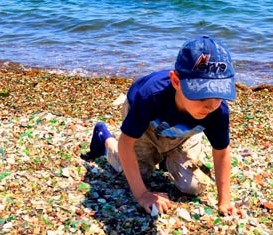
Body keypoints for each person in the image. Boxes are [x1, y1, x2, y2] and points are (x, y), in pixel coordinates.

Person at [84, 35, 242, 217]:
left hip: (183, 134)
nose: (210, 104)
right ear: (176, 82)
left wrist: (225, 200)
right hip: (146, 129)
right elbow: (126, 143)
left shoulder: (216, 111)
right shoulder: (149, 96)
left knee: (193, 187)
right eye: (201, 95)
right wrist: (142, 194)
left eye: (219, 94)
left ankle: (167, 157)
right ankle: (104, 140)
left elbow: (221, 152)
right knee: (136, 177)